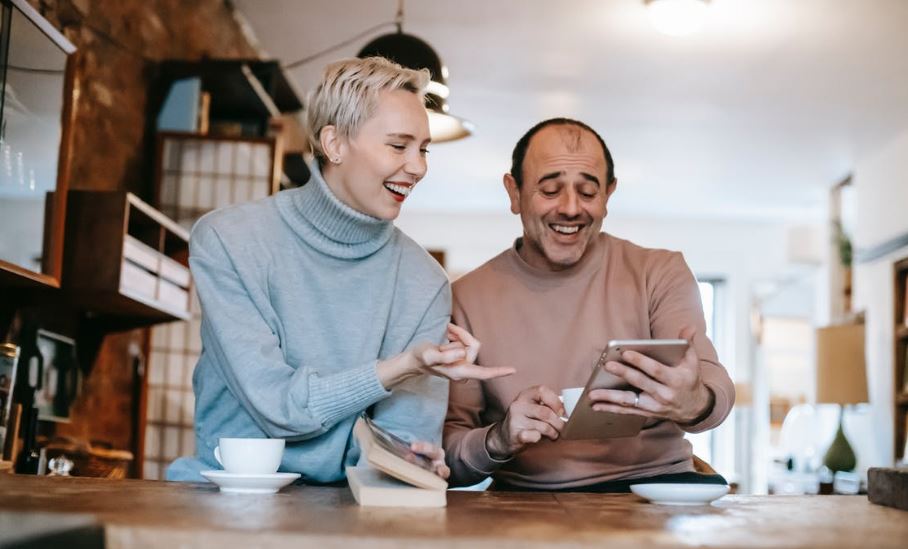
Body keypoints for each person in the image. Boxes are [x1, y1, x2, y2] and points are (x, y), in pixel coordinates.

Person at [167, 57, 512, 483]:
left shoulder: (423, 281)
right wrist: (401, 366)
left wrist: (412, 461)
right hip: (228, 499)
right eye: (398, 145)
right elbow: (277, 408)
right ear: (334, 144)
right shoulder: (229, 239)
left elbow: (401, 446)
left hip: (354, 507)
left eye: (423, 149)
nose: (419, 167)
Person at [443, 118, 735, 491]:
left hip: (654, 486)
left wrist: (693, 401)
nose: (570, 208)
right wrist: (498, 439)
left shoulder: (659, 271)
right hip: (530, 501)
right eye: (550, 190)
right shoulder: (467, 297)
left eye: (587, 192)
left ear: (608, 195)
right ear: (513, 193)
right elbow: (449, 454)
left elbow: (714, 384)